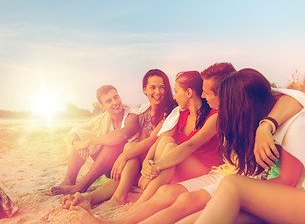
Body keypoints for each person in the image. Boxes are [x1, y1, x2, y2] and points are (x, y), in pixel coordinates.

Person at [68, 64, 305, 224]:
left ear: (238, 105)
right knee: (201, 206)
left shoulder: (289, 125)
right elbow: (160, 139)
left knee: (228, 189)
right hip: (262, 189)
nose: (204, 95)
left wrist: (266, 126)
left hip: (286, 197)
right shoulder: (257, 121)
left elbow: (286, 180)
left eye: (211, 94)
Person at [174, 68, 305, 224]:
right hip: (287, 200)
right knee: (214, 214)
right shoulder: (269, 123)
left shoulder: (293, 125)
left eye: (227, 105)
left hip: (297, 199)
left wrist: (245, 191)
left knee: (231, 185)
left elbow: (287, 181)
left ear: (242, 105)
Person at [63, 69, 176, 208]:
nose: (157, 92)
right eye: (153, 87)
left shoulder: (164, 112)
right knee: (121, 168)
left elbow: (150, 141)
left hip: (157, 160)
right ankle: (87, 197)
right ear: (145, 89)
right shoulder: (144, 112)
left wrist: (124, 156)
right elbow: (77, 130)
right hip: (139, 161)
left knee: (127, 150)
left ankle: (117, 197)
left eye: (162, 87)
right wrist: (79, 143)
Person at [130, 70, 223, 208]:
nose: (175, 97)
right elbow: (161, 139)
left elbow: (189, 146)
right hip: (181, 167)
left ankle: (142, 202)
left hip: (204, 171)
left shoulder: (214, 116)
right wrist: (146, 164)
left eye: (177, 91)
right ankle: (146, 197)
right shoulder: (181, 114)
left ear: (189, 93)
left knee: (170, 147)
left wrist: (156, 166)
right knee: (166, 142)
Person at [50, 85, 139, 195]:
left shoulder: (132, 116)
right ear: (102, 106)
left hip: (125, 167)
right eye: (109, 101)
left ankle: (81, 187)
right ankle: (69, 180)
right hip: (107, 168)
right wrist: (77, 143)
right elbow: (75, 131)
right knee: (79, 141)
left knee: (112, 145)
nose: (115, 102)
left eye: (116, 97)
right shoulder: (102, 119)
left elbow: (123, 135)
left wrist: (90, 142)